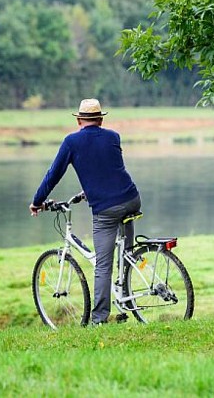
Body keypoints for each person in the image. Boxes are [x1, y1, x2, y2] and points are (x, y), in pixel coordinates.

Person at [29, 98, 140, 325]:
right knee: (125, 253)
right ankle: (127, 299)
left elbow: (53, 175)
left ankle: (99, 319)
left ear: (79, 120)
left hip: (106, 210)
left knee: (103, 264)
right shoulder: (113, 136)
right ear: (100, 119)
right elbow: (111, 168)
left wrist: (37, 201)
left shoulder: (71, 142)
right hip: (131, 199)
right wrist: (90, 190)